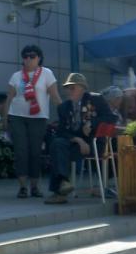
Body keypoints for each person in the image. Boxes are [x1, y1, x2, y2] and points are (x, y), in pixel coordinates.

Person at [45, 73, 116, 204]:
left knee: (58, 147)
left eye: (73, 88)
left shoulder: (96, 99)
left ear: (83, 88)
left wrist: (92, 123)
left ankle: (59, 191)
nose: (69, 91)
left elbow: (111, 118)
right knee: (57, 143)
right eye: (68, 88)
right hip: (77, 143)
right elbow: (61, 131)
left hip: (94, 143)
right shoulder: (63, 107)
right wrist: (78, 140)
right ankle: (63, 183)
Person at [4, 44, 62, 199]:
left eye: (32, 56)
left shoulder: (46, 73)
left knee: (35, 152)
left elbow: (55, 95)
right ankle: (23, 187)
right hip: (17, 117)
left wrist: (65, 113)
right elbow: (9, 98)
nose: (29, 59)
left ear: (39, 58)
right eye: (26, 56)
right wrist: (5, 119)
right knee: (21, 152)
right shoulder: (16, 76)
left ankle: (35, 187)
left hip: (38, 118)